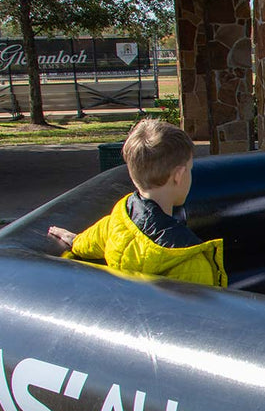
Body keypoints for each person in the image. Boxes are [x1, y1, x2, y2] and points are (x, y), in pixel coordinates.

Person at [47, 118, 225, 287]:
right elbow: (202, 315)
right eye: (190, 169)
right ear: (178, 176)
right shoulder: (188, 260)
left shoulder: (118, 220)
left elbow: (89, 242)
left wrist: (73, 239)